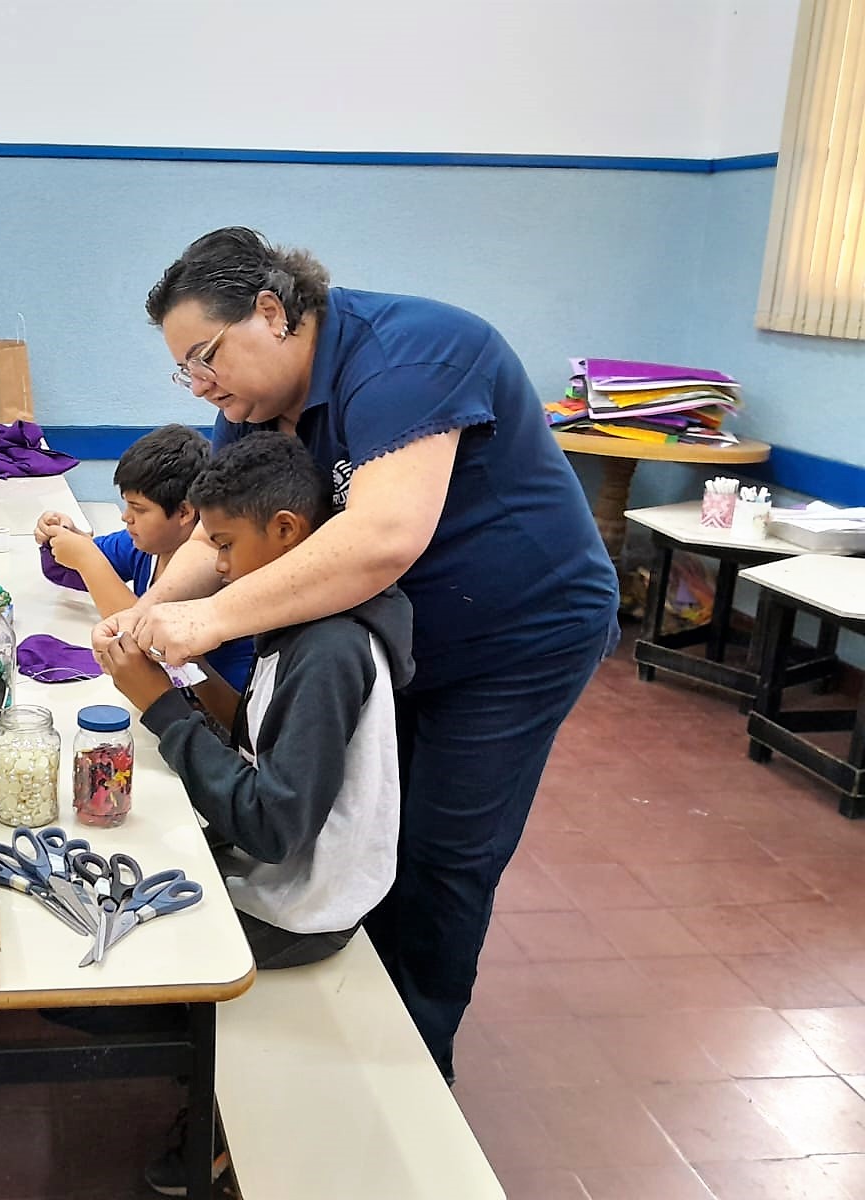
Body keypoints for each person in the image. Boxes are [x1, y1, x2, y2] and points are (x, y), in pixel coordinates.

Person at [96, 227, 619, 1084]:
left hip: (516, 638)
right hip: (408, 632)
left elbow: (383, 537)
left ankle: (413, 1074)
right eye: (183, 370)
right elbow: (215, 528)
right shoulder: (255, 407)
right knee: (368, 825)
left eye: (206, 356)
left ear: (272, 312)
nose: (201, 385)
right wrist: (151, 613)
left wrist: (212, 621)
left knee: (444, 855)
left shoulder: (413, 354)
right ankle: (349, 1025)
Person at [97, 432, 413, 1196]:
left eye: (226, 543)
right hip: (280, 868)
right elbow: (261, 738)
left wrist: (162, 710)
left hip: (301, 906)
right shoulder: (301, 618)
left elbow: (274, 826)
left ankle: (219, 1129)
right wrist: (182, 682)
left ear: (286, 533)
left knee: (104, 977)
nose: (221, 568)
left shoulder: (330, 647)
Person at [32, 424, 253, 717]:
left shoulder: (218, 574)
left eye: (139, 508)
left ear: (185, 512)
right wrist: (59, 537)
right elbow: (67, 572)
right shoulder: (142, 545)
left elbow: (141, 647)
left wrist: (88, 559)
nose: (126, 517)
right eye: (126, 504)